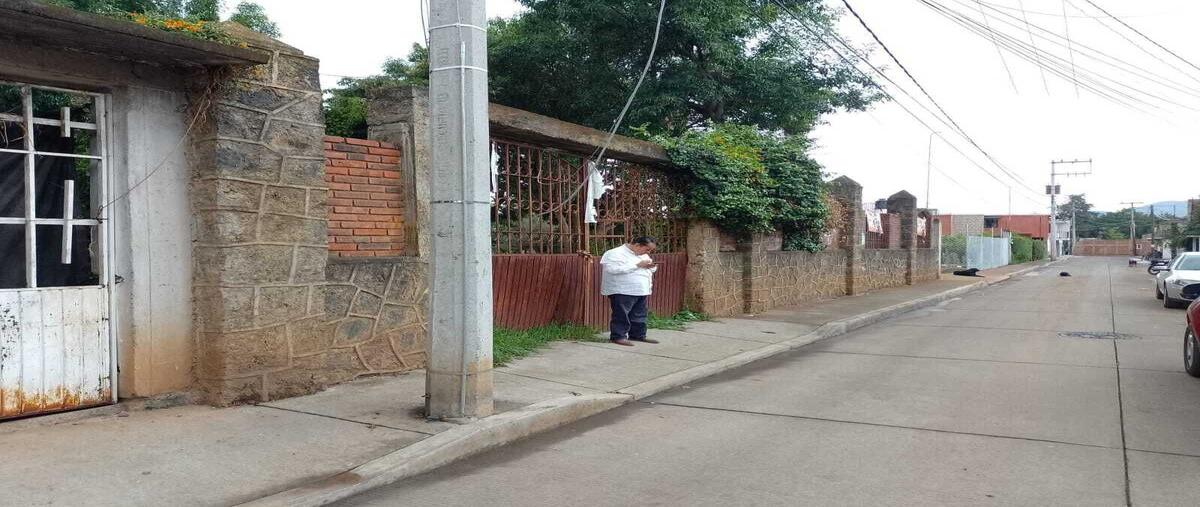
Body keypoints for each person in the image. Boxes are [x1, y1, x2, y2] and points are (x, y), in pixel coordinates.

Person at [600, 237, 661, 346]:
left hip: (641, 290)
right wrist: (637, 265)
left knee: (639, 315)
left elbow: (649, 269)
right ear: (637, 245)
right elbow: (612, 269)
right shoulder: (614, 253)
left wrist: (651, 267)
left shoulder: (642, 255)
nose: (648, 252)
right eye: (647, 249)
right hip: (622, 290)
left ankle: (638, 335)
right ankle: (618, 336)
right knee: (621, 314)